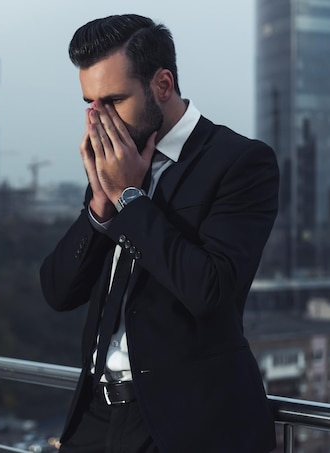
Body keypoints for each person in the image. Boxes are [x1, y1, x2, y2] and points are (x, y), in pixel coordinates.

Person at [39, 14, 278, 453]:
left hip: (186, 425)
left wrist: (130, 197)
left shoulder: (239, 162)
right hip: (95, 417)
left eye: (113, 99)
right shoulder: (112, 165)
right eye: (90, 103)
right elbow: (58, 291)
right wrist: (100, 203)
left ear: (162, 85)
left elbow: (210, 289)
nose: (99, 119)